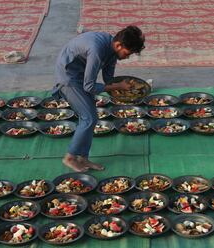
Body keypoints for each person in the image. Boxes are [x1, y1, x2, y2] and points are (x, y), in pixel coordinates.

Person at [53, 25, 145, 172]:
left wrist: (123, 89)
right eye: (128, 52)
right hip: (69, 77)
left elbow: (108, 77)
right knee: (88, 118)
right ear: (118, 45)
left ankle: (83, 158)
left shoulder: (112, 49)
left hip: (81, 76)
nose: (128, 56)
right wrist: (117, 87)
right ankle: (70, 157)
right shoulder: (96, 49)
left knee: (91, 118)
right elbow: (89, 86)